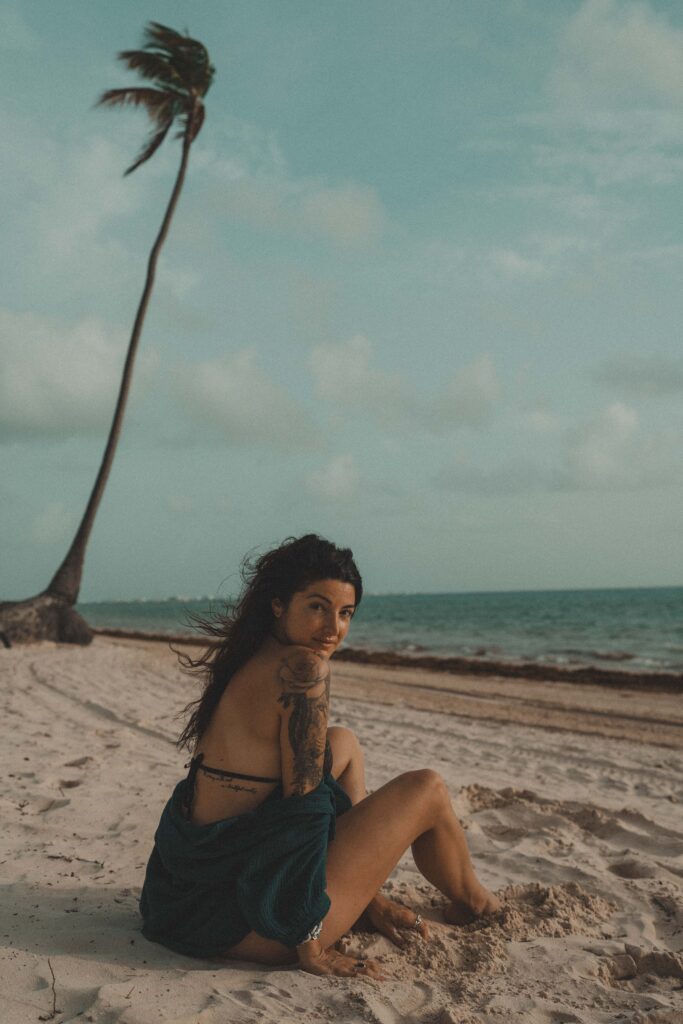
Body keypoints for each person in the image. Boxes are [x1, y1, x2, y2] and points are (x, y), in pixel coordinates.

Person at [140, 534, 500, 979]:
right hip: (254, 923)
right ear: (278, 604)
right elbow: (303, 811)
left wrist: (371, 900)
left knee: (343, 741)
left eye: (345, 612)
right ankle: (480, 905)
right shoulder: (303, 669)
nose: (333, 627)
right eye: (316, 606)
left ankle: (369, 901)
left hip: (182, 905)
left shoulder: (249, 657)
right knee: (427, 788)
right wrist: (309, 942)